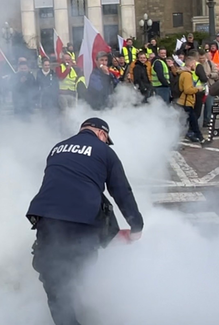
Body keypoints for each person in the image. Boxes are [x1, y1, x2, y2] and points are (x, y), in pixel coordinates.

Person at [27, 118, 144, 325]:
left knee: (54, 280)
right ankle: (86, 308)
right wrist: (137, 226)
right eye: (106, 139)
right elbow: (121, 192)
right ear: (101, 134)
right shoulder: (105, 151)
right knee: (78, 270)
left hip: (45, 218)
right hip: (82, 221)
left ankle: (68, 316)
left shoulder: (57, 148)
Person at [177, 56, 207, 144]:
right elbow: (187, 90)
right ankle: (200, 138)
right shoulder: (187, 74)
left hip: (186, 101)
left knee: (191, 121)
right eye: (194, 64)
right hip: (187, 101)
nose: (195, 66)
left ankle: (196, 136)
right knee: (193, 121)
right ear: (191, 64)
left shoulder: (184, 73)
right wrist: (198, 89)